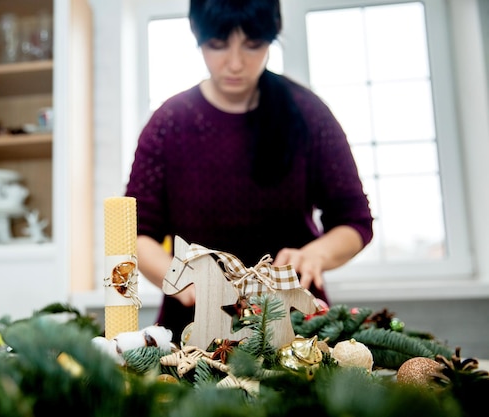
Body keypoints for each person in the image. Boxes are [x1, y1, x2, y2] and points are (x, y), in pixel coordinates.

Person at [124, 0, 374, 343]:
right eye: (218, 45)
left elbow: (355, 221)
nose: (236, 63)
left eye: (253, 45)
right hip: (192, 333)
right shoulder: (169, 123)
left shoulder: (307, 114)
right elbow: (136, 233)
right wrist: (180, 278)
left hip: (298, 331)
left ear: (271, 39)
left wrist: (317, 253)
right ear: (198, 38)